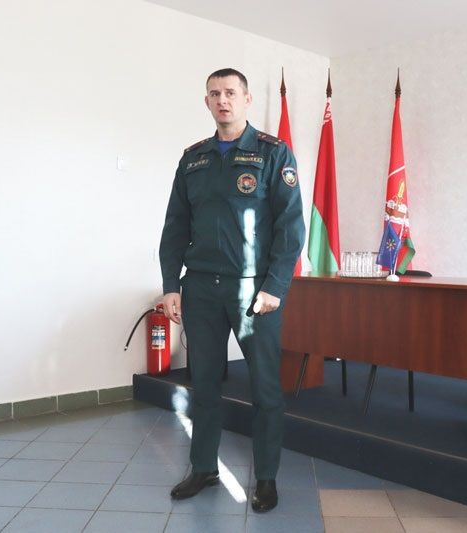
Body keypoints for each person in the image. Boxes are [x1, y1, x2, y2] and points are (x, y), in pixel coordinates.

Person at [159, 68, 305, 512]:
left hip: (254, 292)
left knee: (265, 389)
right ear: (207, 102)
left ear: (246, 100)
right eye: (214, 94)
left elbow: (290, 227)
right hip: (201, 288)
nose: (222, 100)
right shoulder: (193, 159)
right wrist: (171, 285)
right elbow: (175, 227)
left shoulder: (273, 153)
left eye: (230, 93)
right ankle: (203, 467)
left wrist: (275, 285)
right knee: (203, 384)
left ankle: (266, 478)